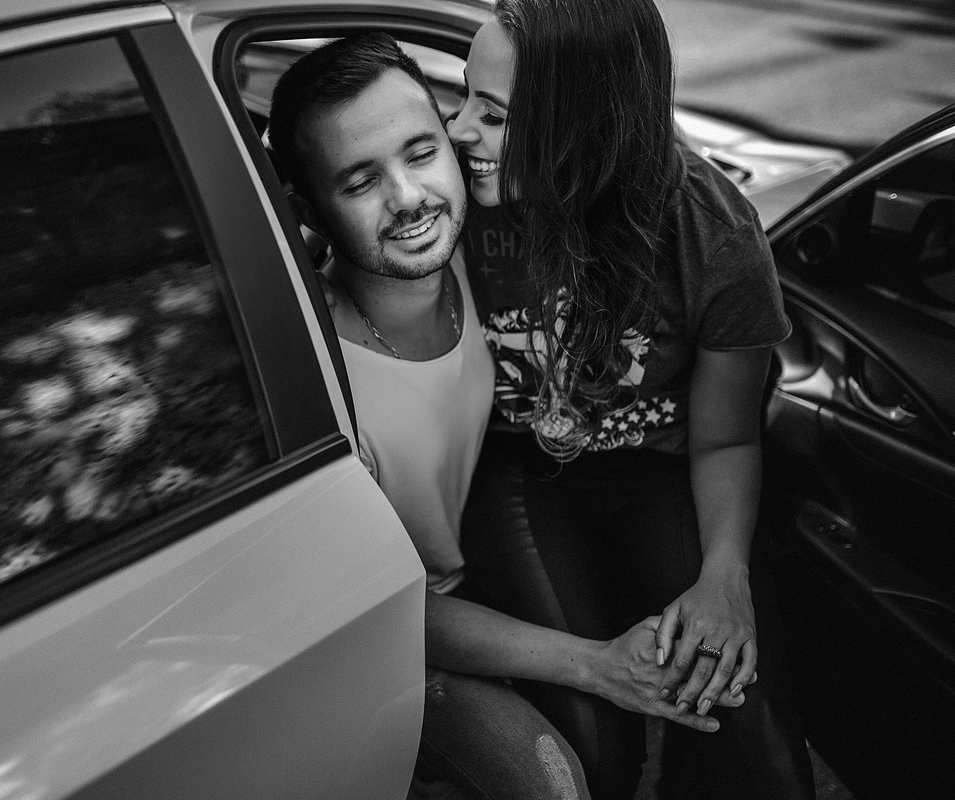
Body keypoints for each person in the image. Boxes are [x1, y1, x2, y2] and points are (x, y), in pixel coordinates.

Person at [267, 32, 744, 800]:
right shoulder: (321, 388)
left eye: (421, 153)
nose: (410, 200)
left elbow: (601, 149)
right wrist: (594, 662)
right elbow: (384, 614)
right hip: (407, 633)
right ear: (311, 208)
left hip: (502, 548)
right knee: (567, 773)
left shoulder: (474, 248)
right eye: (360, 182)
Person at [445, 2, 816, 800]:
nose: (458, 131)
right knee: (588, 748)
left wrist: (725, 577)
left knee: (739, 724)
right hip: (520, 477)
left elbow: (726, 441)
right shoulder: (445, 206)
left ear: (583, 127)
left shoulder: (711, 231)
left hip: (663, 475)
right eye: (462, 95)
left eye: (493, 113)